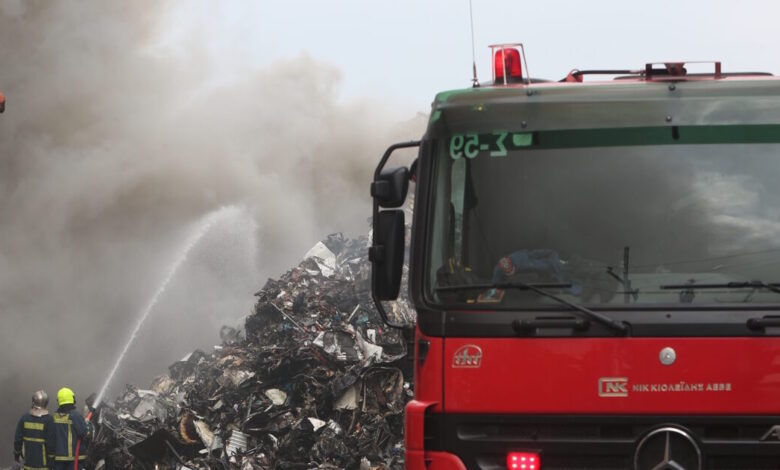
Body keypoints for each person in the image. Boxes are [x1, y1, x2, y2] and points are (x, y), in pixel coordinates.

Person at [47, 387, 92, 470]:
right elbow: (84, 433)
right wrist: (87, 425)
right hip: (74, 460)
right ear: (72, 399)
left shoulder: (54, 417)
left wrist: (50, 457)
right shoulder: (75, 416)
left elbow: (50, 439)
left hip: (58, 459)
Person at [13, 390, 52, 470]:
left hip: (28, 463)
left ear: (33, 402)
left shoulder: (24, 418)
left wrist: (17, 455)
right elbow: (52, 443)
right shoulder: (50, 420)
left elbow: (18, 440)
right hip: (44, 465)